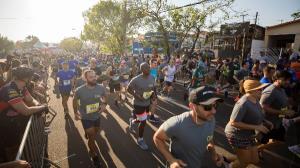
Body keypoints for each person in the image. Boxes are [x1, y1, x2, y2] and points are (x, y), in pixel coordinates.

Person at [153, 86, 224, 168]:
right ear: (192, 106)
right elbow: (157, 138)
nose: (214, 111)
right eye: (207, 107)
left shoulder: (211, 119)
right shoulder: (178, 123)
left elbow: (209, 138)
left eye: (215, 105)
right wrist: (171, 160)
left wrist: (213, 153)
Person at [0, 66, 48, 162]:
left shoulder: (22, 87)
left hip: (12, 122)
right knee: (11, 150)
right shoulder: (9, 90)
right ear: (27, 78)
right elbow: (25, 111)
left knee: (18, 146)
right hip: (4, 125)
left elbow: (31, 100)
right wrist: (42, 107)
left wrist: (38, 105)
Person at [224, 80, 271, 168]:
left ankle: (227, 159)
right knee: (245, 162)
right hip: (236, 135)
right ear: (252, 91)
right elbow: (233, 122)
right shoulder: (243, 103)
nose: (262, 91)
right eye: (260, 89)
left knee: (254, 160)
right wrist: (257, 127)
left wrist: (265, 121)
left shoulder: (255, 100)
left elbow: (257, 113)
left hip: (248, 134)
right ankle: (230, 166)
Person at [72, 70, 107, 168]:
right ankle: (94, 155)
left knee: (95, 132)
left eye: (94, 76)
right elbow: (74, 101)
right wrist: (75, 112)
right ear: (85, 78)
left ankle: (88, 134)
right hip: (86, 117)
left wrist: (104, 104)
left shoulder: (100, 88)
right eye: (91, 77)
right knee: (92, 137)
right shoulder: (79, 90)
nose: (94, 78)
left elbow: (104, 97)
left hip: (96, 116)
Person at [259, 70, 294, 148]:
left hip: (277, 122)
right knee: (262, 141)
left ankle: (258, 150)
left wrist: (287, 108)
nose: (288, 82)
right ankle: (257, 150)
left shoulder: (282, 89)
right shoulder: (270, 91)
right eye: (285, 80)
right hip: (268, 123)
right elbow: (263, 106)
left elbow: (282, 103)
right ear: (277, 79)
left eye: (289, 80)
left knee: (280, 141)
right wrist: (283, 112)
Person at [128, 62, 156, 150]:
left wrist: (154, 95)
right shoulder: (136, 79)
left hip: (147, 103)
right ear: (142, 70)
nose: (149, 69)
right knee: (143, 122)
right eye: (146, 68)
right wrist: (137, 96)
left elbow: (153, 88)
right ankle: (140, 139)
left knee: (142, 119)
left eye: (149, 67)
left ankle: (132, 121)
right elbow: (129, 89)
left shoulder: (152, 77)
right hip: (138, 104)